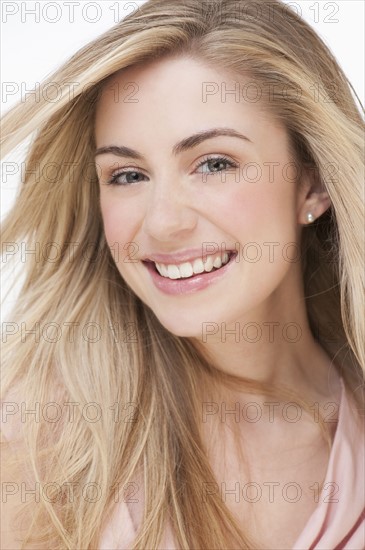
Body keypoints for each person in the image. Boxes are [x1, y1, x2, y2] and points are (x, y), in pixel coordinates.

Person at [1, 0, 364, 548]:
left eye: (214, 163)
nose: (163, 223)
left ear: (311, 185)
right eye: (127, 174)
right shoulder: (47, 436)